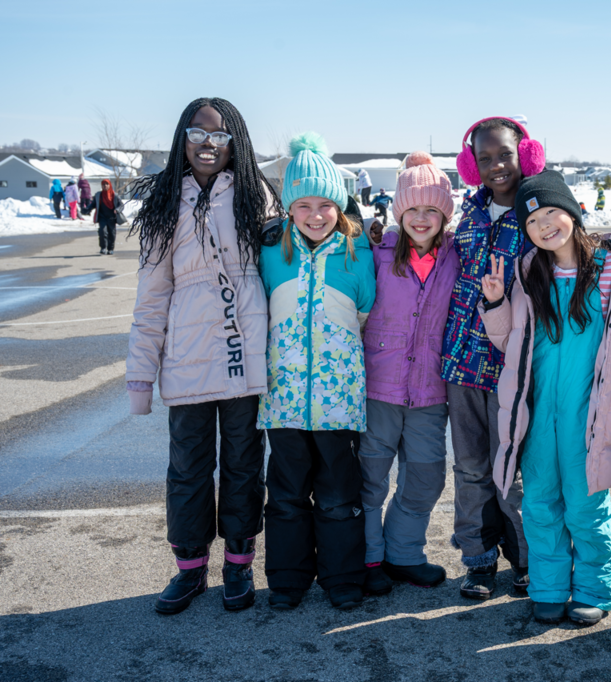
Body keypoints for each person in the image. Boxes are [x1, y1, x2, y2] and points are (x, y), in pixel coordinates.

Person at [126, 97, 282, 615]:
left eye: (220, 136)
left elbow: (288, 261)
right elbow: (151, 298)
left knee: (243, 465)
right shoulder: (166, 202)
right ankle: (189, 567)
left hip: (246, 356)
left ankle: (239, 564)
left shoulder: (259, 197)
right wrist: (140, 375)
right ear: (183, 139)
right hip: (188, 358)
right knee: (189, 467)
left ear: (235, 142)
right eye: (198, 134)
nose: (209, 145)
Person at [481, 170, 611, 626]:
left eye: (553, 211)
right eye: (534, 221)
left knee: (585, 504)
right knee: (538, 503)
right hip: (536, 416)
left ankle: (595, 587)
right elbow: (507, 342)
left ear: (572, 212)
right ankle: (550, 587)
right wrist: (495, 304)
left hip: (587, 416)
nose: (545, 224)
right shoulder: (529, 272)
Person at [257, 132, 376, 611]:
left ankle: (342, 576)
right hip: (283, 398)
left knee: (337, 495)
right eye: (302, 204)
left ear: (340, 206)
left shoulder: (357, 256)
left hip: (338, 401)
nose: (315, 214)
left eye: (325, 204)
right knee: (285, 496)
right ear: (288, 208)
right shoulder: (269, 253)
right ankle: (287, 578)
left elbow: (365, 313)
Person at [444, 116, 544, 600]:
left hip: (513, 365)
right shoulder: (470, 212)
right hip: (461, 363)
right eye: (483, 157)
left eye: (504, 153)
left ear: (524, 153)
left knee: (514, 471)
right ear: (470, 165)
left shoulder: (538, 210)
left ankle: (526, 559)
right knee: (470, 469)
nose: (495, 165)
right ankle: (479, 560)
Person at [359, 152, 460, 596]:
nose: (422, 219)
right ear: (400, 211)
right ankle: (369, 557)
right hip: (378, 390)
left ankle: (404, 554)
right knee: (369, 480)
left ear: (444, 215)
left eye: (432, 210)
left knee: (425, 477)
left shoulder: (458, 257)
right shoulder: (376, 254)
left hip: (429, 393)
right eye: (413, 209)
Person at [91, 179, 123, 254]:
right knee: (102, 232)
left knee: (112, 233)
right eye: (103, 184)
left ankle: (110, 249)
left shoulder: (114, 195)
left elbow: (121, 205)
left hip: (112, 218)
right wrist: (87, 209)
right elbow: (93, 204)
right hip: (102, 217)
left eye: (106, 184)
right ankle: (103, 248)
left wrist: (117, 210)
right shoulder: (98, 195)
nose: (105, 185)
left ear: (109, 185)